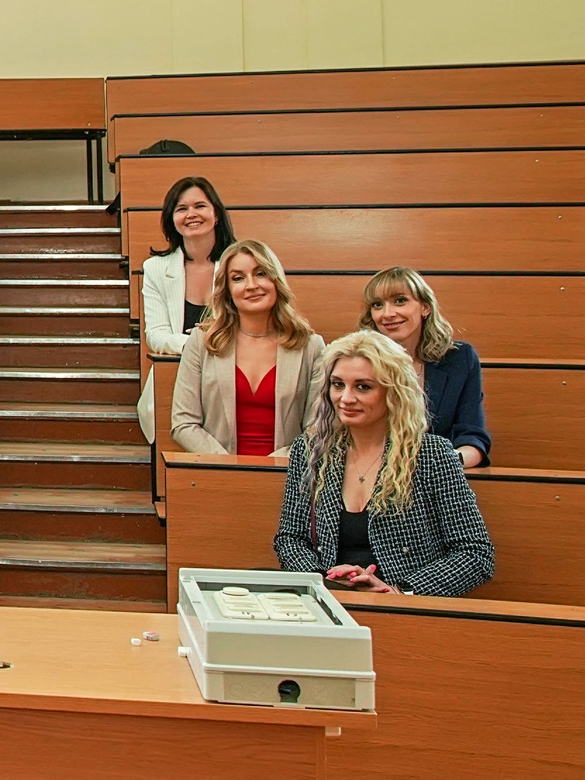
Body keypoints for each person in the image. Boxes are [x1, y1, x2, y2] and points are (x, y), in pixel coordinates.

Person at [275, 332, 496, 597]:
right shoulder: (311, 450)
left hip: (404, 608)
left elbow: (475, 553)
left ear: (392, 392)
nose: (345, 398)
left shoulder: (431, 454)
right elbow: (291, 538)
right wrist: (324, 580)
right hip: (330, 597)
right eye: (337, 384)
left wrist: (400, 591)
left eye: (363, 387)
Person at [171, 239, 327, 457]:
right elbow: (183, 423)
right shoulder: (201, 342)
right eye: (238, 278)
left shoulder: (311, 347)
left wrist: (273, 467)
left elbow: (318, 429)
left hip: (288, 476)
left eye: (261, 273)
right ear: (227, 291)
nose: (251, 285)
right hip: (218, 474)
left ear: (276, 280)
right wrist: (231, 469)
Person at [138, 175, 237, 444]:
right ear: (172, 220)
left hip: (233, 376)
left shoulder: (240, 262)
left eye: (200, 206)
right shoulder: (156, 269)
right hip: (178, 378)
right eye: (181, 209)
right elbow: (155, 335)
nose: (191, 214)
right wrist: (197, 344)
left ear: (216, 214)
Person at [359, 267, 491, 468]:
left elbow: (472, 437)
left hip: (439, 481)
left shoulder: (459, 359)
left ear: (425, 307)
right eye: (377, 305)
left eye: (400, 301)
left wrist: (444, 463)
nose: (387, 314)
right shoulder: (358, 362)